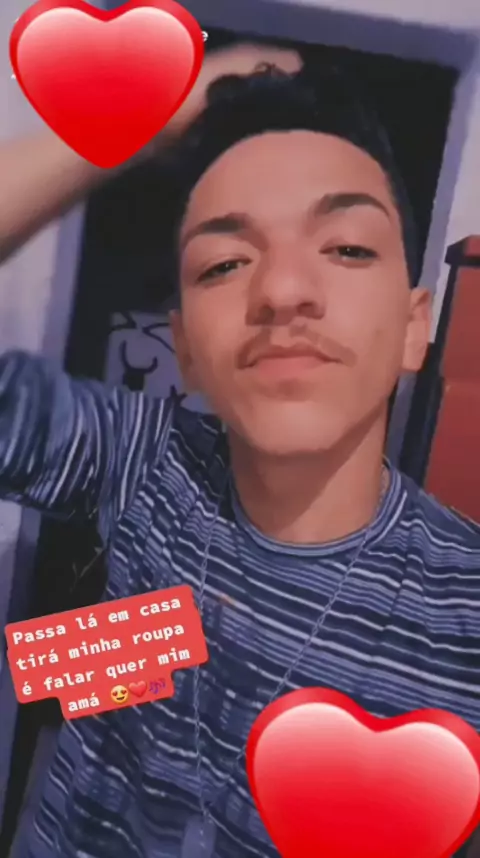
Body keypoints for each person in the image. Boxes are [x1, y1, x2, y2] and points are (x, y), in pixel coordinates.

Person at [0, 41, 479, 858]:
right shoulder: (146, 464)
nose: (282, 292)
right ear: (185, 349)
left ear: (414, 325)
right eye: (224, 262)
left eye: (347, 248)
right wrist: (138, 121)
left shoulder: (465, 624)